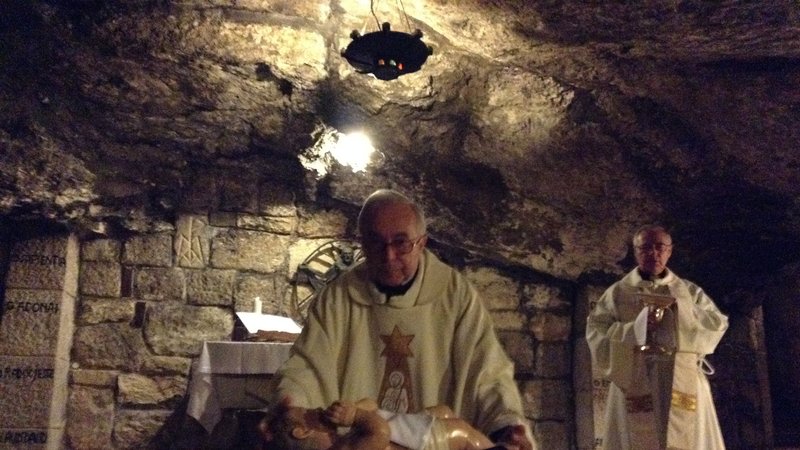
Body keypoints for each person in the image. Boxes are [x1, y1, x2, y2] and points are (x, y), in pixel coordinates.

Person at [270, 189, 534, 450]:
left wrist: (507, 427)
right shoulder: (337, 299)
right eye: (376, 243)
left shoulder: (455, 295)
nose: (389, 256)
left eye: (401, 243)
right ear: (363, 243)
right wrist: (289, 410)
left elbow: (488, 373)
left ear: (422, 243)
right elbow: (306, 367)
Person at [586, 225, 729, 450]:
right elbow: (597, 331)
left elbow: (717, 324)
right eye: (645, 248)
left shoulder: (688, 291)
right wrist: (636, 329)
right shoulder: (618, 293)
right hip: (635, 374)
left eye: (660, 247)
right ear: (636, 252)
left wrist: (681, 312)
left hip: (681, 374)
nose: (653, 253)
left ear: (669, 251)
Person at [258, 397, 513, 450]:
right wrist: (354, 417)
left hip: (409, 434)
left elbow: (371, 405)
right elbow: (380, 432)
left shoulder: (341, 440)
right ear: (303, 432)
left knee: (443, 412)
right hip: (422, 444)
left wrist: (356, 407)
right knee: (461, 432)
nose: (316, 408)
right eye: (308, 412)